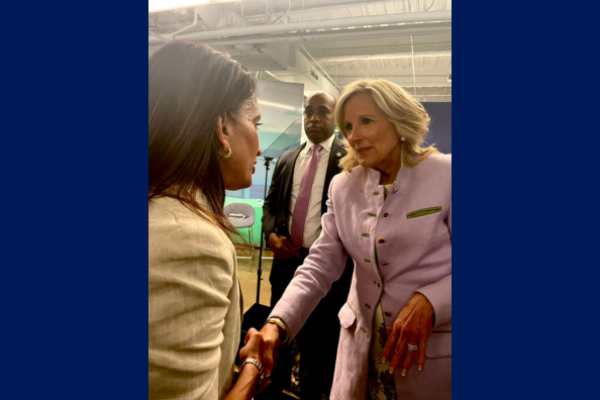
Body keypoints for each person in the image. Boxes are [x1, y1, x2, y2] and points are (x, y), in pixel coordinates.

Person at [261, 79, 452, 400]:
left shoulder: (446, 175)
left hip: (426, 357)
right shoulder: (343, 187)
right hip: (360, 354)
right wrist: (277, 323)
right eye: (348, 125)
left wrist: (432, 300)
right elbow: (319, 266)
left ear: (397, 118)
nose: (353, 135)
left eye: (366, 121)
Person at [148, 41, 268, 400]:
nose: (260, 148)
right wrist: (252, 367)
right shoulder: (191, 240)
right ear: (223, 130)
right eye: (255, 122)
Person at [260, 91, 354, 399]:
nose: (313, 117)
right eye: (308, 111)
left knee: (318, 347)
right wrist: (272, 233)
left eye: (322, 111)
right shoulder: (288, 158)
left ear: (335, 117)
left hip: (329, 274)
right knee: (278, 339)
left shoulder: (350, 161)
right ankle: (272, 391)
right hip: (285, 264)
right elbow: (271, 204)